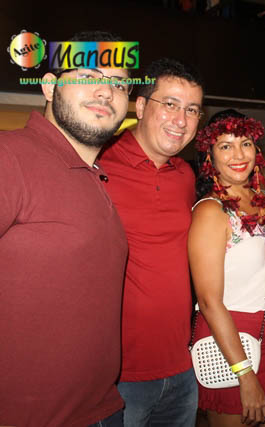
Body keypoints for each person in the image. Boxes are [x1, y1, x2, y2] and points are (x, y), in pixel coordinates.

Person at [0, 31, 130, 427]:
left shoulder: (96, 176)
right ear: (49, 86)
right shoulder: (10, 155)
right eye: (88, 75)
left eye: (119, 83)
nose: (105, 91)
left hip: (104, 407)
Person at [98, 58, 203, 426]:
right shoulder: (99, 162)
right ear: (141, 106)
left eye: (192, 109)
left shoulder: (185, 175)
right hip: (118, 377)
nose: (181, 120)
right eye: (170, 104)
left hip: (182, 367)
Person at [189, 111, 265, 427]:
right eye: (226, 146)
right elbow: (209, 301)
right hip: (230, 344)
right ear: (210, 156)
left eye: (246, 143)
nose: (238, 155)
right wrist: (244, 374)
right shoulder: (211, 211)